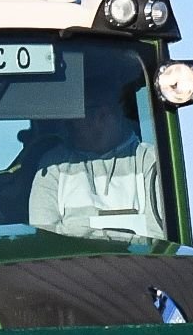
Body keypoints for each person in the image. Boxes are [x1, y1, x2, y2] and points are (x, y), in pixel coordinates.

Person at [27, 76, 164, 238]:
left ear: (103, 114)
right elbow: (43, 239)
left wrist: (76, 230)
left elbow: (158, 241)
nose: (68, 123)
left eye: (76, 114)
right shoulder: (52, 165)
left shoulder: (150, 161)